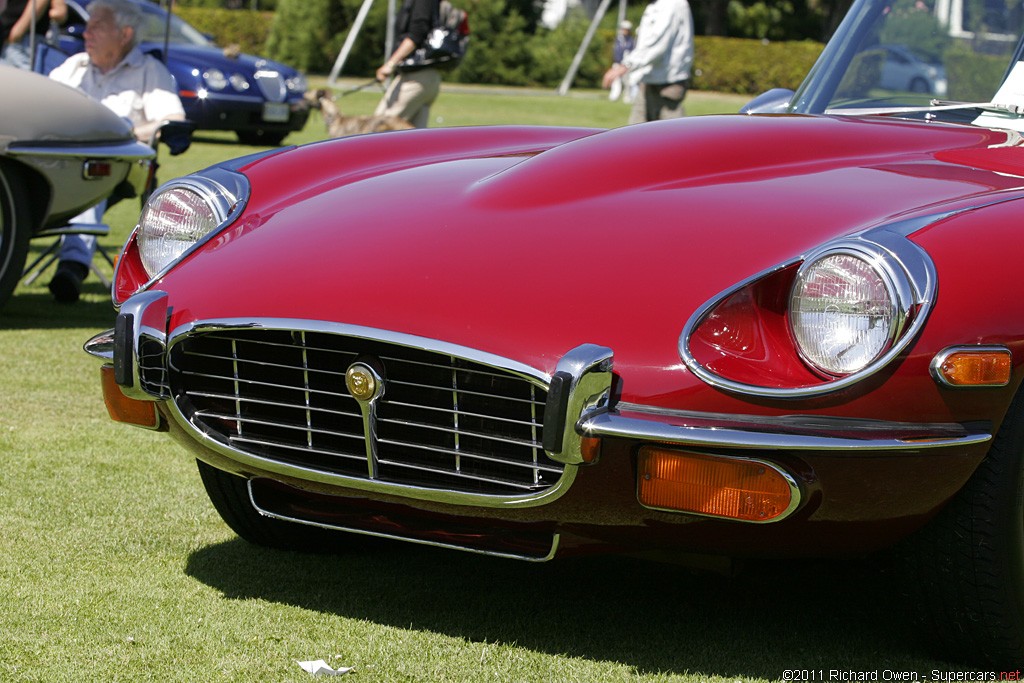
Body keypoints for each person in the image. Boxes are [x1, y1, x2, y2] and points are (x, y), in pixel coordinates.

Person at [46, 0, 185, 303]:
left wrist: (128, 133)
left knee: (88, 183)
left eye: (97, 25)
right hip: (57, 162)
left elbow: (172, 121)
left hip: (117, 165)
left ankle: (72, 266)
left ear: (124, 34)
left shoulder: (148, 71)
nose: (86, 33)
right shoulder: (75, 66)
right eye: (87, 25)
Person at [601, 0, 694, 124]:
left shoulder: (672, 4)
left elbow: (657, 44)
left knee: (674, 139)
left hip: (668, 84)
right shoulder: (654, 6)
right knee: (634, 136)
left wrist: (624, 66)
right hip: (648, 81)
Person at [373, 0, 442, 129]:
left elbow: (416, 35)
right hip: (427, 79)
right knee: (415, 140)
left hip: (416, 79)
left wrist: (390, 64)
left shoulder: (421, 3)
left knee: (378, 128)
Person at [0, 0, 67, 70]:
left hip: (21, 42)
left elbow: (60, 13)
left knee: (18, 78)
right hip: (12, 40)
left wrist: (17, 32)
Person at [608, 19, 636, 103]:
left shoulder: (631, 41)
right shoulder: (618, 39)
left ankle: (627, 97)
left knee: (627, 82)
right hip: (617, 63)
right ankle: (614, 96)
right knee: (616, 81)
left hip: (627, 65)